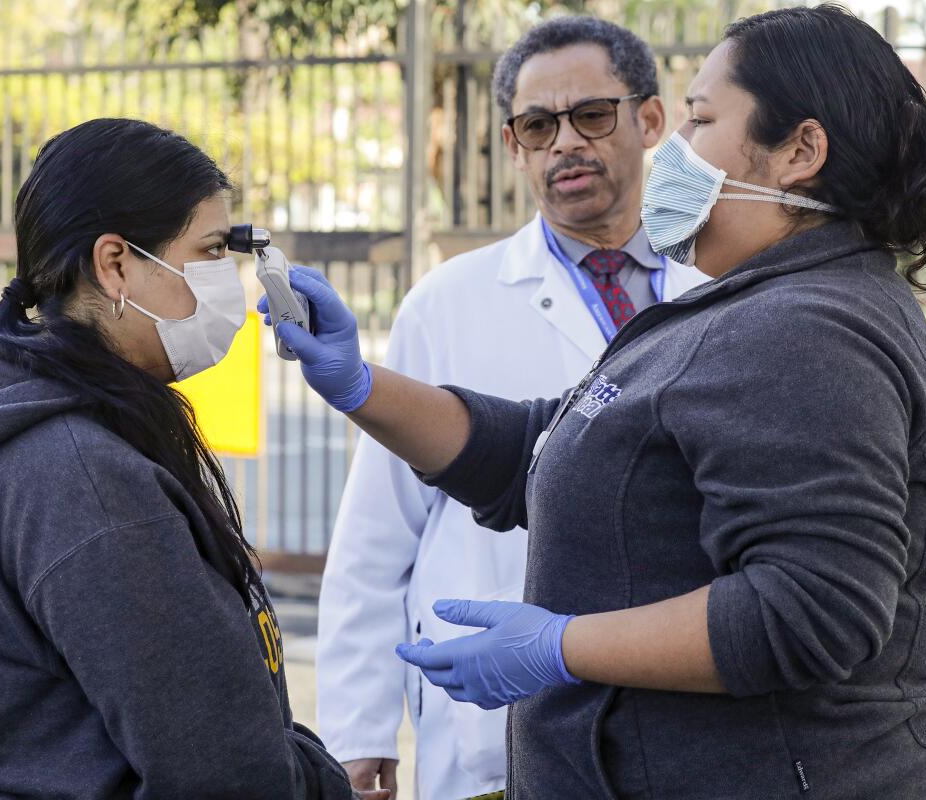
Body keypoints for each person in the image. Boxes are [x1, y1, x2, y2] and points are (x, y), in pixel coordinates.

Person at [265, 6, 926, 798]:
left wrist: (562, 647)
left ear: (799, 152)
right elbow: (549, 448)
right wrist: (363, 387)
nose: (675, 151)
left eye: (701, 120)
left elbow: (810, 610)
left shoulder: (808, 329)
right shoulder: (749, 303)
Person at [0, 118, 385, 800]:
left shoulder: (54, 419)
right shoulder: (83, 478)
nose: (231, 278)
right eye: (213, 249)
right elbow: (223, 771)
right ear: (116, 264)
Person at [315, 17, 708, 800]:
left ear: (652, 120)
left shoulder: (723, 289)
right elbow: (375, 536)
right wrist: (357, 732)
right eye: (538, 125)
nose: (565, 143)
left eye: (592, 115)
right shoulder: (449, 302)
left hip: (689, 712)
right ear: (514, 145)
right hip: (489, 732)